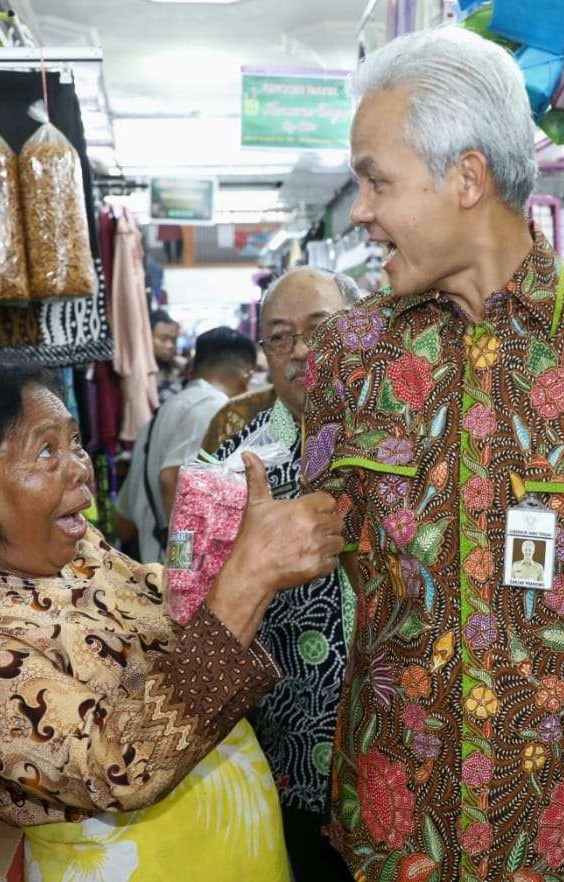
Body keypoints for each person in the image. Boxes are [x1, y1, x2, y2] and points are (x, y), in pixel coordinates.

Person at [301, 26, 564, 881]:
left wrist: (563, 680)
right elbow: (342, 559)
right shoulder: (347, 360)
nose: (360, 212)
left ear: (466, 178)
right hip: (399, 830)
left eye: (375, 181)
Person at [0, 357, 345, 882]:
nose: (80, 466)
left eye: (73, 442)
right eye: (45, 450)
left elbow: (179, 617)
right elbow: (115, 768)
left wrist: (244, 554)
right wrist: (247, 580)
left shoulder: (82, 555)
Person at [199, 266, 363, 882]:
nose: (300, 350)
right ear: (262, 352)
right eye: (279, 336)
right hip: (294, 765)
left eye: (321, 328)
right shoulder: (226, 473)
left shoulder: (419, 445)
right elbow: (193, 620)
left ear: (362, 327)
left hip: (423, 762)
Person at [117, 327, 257, 564]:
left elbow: (123, 522)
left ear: (193, 369)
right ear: (246, 376)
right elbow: (171, 480)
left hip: (155, 574)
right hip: (183, 580)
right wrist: (183, 566)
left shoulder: (158, 417)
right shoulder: (215, 409)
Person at [151, 309, 183, 404]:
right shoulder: (136, 375)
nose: (170, 346)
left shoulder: (181, 372)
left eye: (174, 340)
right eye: (163, 339)